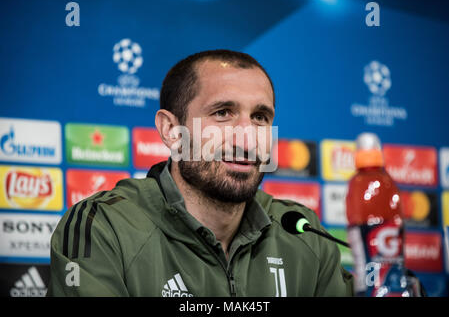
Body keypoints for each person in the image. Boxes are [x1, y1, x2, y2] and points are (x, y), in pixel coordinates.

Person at [47, 49, 353, 297]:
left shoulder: (303, 234)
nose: (247, 138)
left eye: (260, 117)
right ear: (172, 130)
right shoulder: (103, 227)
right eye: (222, 113)